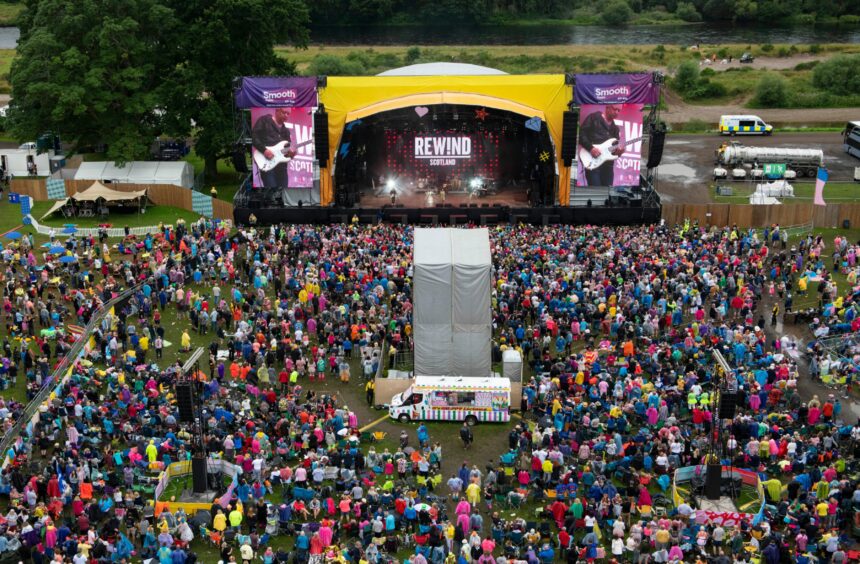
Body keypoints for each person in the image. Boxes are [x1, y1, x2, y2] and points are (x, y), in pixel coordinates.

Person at [578, 104, 623, 187]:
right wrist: (591, 148)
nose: (617, 112)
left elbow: (613, 152)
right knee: (595, 192)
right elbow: (581, 135)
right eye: (615, 109)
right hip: (593, 163)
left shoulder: (615, 129)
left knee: (607, 193)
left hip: (608, 167)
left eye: (619, 110)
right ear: (608, 107)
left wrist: (619, 153)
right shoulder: (593, 118)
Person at [251, 107, 295, 190]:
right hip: (267, 164)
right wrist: (264, 150)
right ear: (277, 111)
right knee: (271, 192)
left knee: (283, 192)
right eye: (284, 112)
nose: (286, 115)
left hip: (281, 168)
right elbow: (254, 137)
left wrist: (291, 154)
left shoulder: (286, 131)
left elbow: (285, 152)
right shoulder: (264, 120)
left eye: (288, 114)